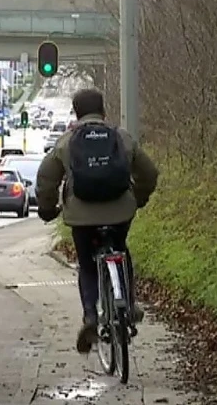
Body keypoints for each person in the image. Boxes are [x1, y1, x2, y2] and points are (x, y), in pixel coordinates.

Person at [35, 88, 159, 354]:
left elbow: (46, 178)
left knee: (88, 264)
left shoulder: (66, 142)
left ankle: (90, 316)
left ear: (76, 113)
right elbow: (149, 173)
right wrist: (138, 197)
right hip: (119, 212)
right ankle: (128, 301)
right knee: (120, 248)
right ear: (103, 111)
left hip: (81, 216)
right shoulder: (121, 138)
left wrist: (47, 209)